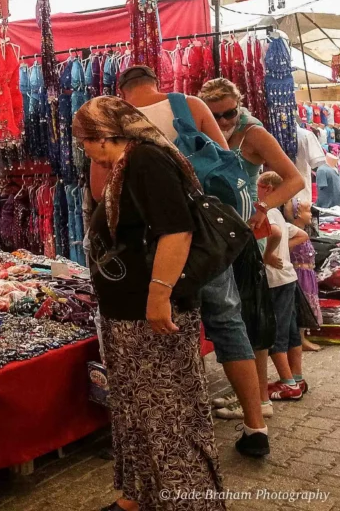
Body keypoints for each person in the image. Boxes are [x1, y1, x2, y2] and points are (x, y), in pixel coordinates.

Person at [105, 66, 269, 452]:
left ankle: (177, 428)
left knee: (165, 327)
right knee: (227, 321)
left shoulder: (117, 118)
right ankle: (255, 425)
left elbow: (104, 186)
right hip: (203, 234)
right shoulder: (190, 105)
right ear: (155, 83)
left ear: (122, 90)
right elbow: (228, 165)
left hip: (149, 239)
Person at [73, 97, 225, 511]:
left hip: (151, 314)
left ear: (104, 135)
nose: (83, 149)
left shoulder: (146, 163)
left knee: (168, 414)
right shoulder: (126, 166)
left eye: (84, 140)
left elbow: (177, 231)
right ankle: (141, 497)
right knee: (138, 412)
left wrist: (158, 297)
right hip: (128, 314)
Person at [198, 78, 305, 221]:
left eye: (229, 113)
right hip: (209, 220)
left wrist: (263, 207)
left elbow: (296, 180)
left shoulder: (253, 134)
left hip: (246, 222)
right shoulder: (199, 131)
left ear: (238, 105)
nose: (223, 121)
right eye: (215, 116)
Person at [255, 171, 310, 404]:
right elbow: (302, 234)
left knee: (275, 331)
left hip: (273, 280)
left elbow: (275, 233)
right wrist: (281, 251)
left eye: (256, 184)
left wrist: (268, 254)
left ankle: (288, 383)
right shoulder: (277, 212)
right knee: (289, 328)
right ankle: (296, 377)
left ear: (266, 188)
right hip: (287, 277)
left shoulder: (265, 212)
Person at [262, 173, 322, 352]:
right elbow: (279, 234)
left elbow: (277, 233)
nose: (311, 214)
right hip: (290, 275)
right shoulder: (275, 215)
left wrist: (268, 254)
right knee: (287, 324)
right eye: (308, 211)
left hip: (282, 276)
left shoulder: (270, 213)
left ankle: (289, 376)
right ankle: (292, 376)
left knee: (284, 325)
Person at [295, 124, 326, 204]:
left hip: (275, 194)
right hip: (300, 194)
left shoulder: (305, 135)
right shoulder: (305, 135)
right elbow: (316, 163)